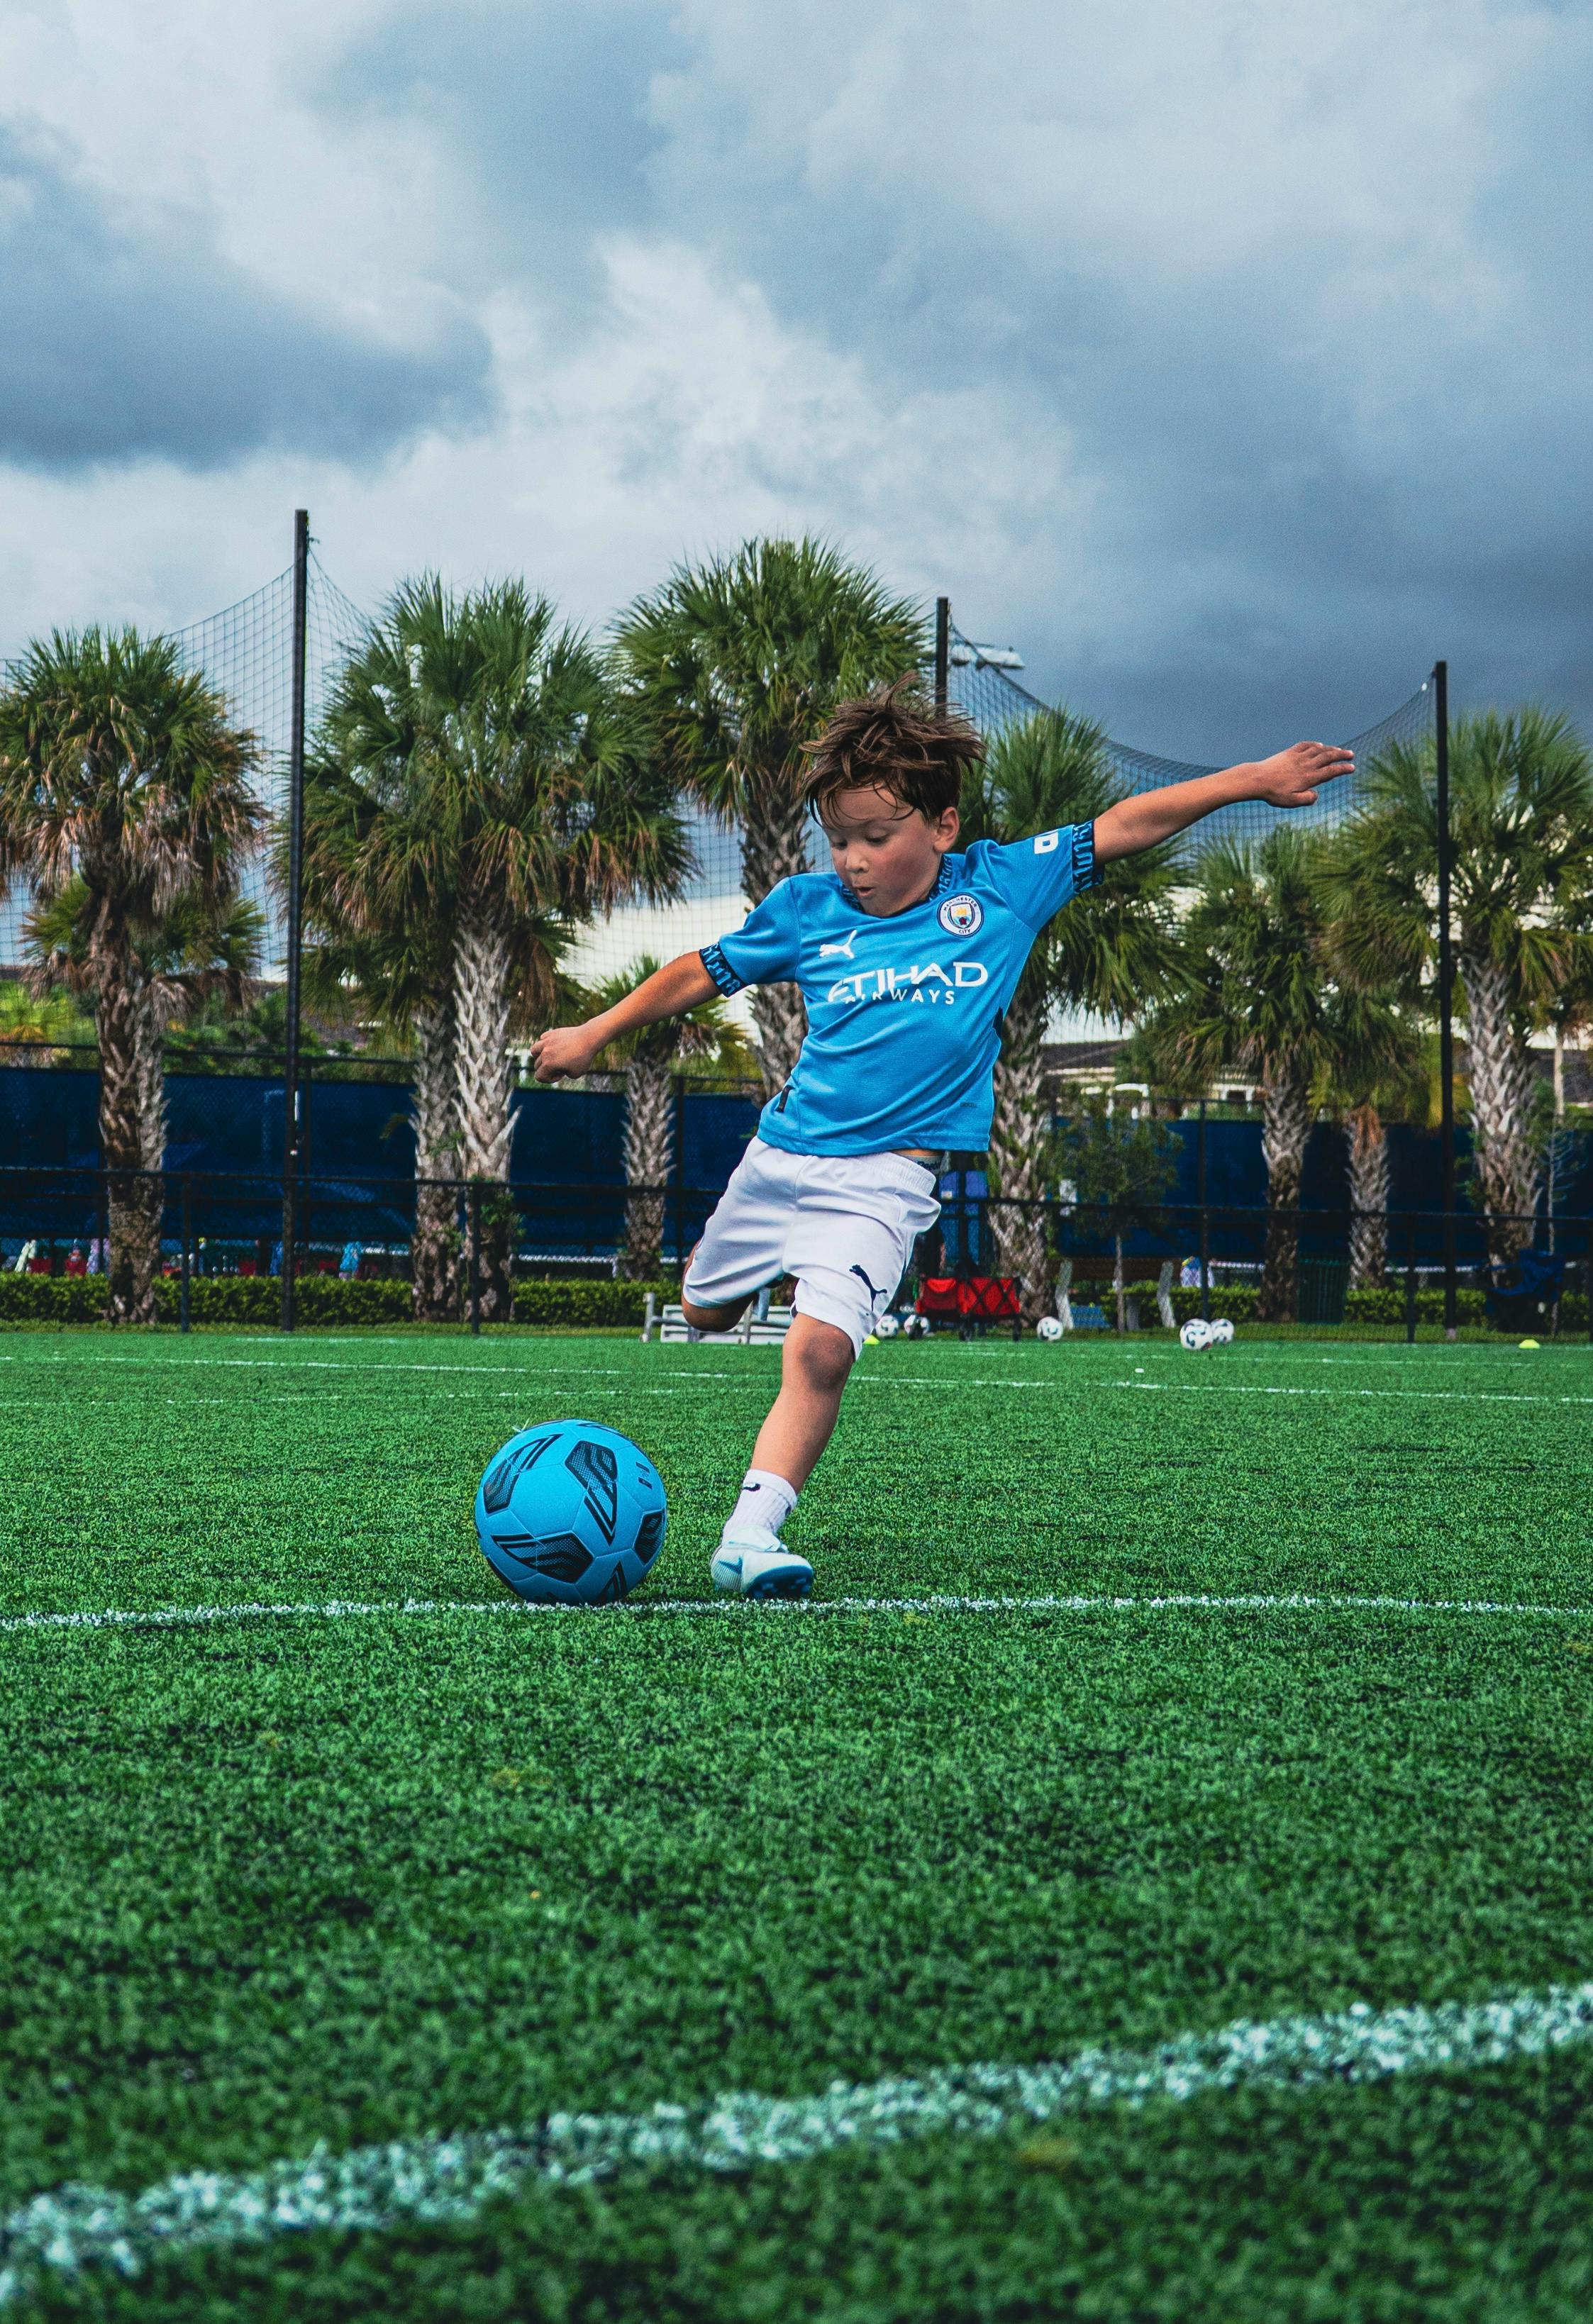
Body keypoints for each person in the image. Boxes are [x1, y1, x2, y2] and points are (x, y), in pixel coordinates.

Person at [533, 682, 1350, 1599]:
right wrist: (593, 1032)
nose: (852, 859)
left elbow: (1123, 823)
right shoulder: (805, 909)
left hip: (885, 1180)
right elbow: (699, 969)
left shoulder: (1000, 887)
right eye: (837, 838)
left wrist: (1252, 777)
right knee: (705, 1314)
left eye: (875, 836)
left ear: (942, 826)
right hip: (778, 1162)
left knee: (820, 1351)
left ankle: (748, 1534)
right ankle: (718, 1291)